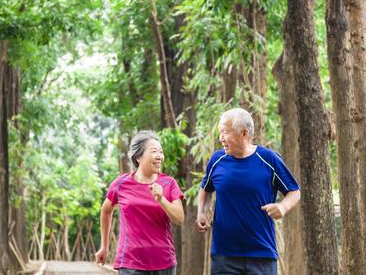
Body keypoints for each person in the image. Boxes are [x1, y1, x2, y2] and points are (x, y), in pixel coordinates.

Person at [196, 108, 301, 275]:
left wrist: (283, 207)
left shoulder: (268, 159)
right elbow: (206, 189)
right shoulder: (217, 160)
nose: (220, 138)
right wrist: (201, 212)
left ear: (244, 133)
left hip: (261, 255)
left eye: (225, 132)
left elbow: (294, 191)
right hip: (224, 256)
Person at [96, 131, 184, 275]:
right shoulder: (121, 183)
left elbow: (179, 219)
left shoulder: (169, 183)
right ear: (138, 157)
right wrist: (104, 246)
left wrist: (161, 199)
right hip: (130, 263)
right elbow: (106, 210)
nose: (159, 156)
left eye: (160, 152)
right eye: (154, 151)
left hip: (164, 263)